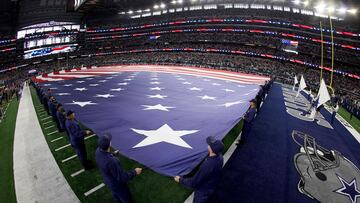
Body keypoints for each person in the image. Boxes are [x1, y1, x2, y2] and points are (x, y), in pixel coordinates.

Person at [174, 136, 224, 203]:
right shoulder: (220, 157)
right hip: (212, 184)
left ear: (211, 149)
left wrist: (180, 180)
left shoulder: (207, 165)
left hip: (203, 191)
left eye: (209, 145)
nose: (208, 145)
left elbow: (194, 182)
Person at [95, 134, 142, 203]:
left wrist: (113, 154)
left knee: (116, 196)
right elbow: (122, 177)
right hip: (117, 185)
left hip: (108, 180)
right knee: (126, 199)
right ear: (109, 144)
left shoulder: (98, 151)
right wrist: (135, 172)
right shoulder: (112, 162)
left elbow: (104, 158)